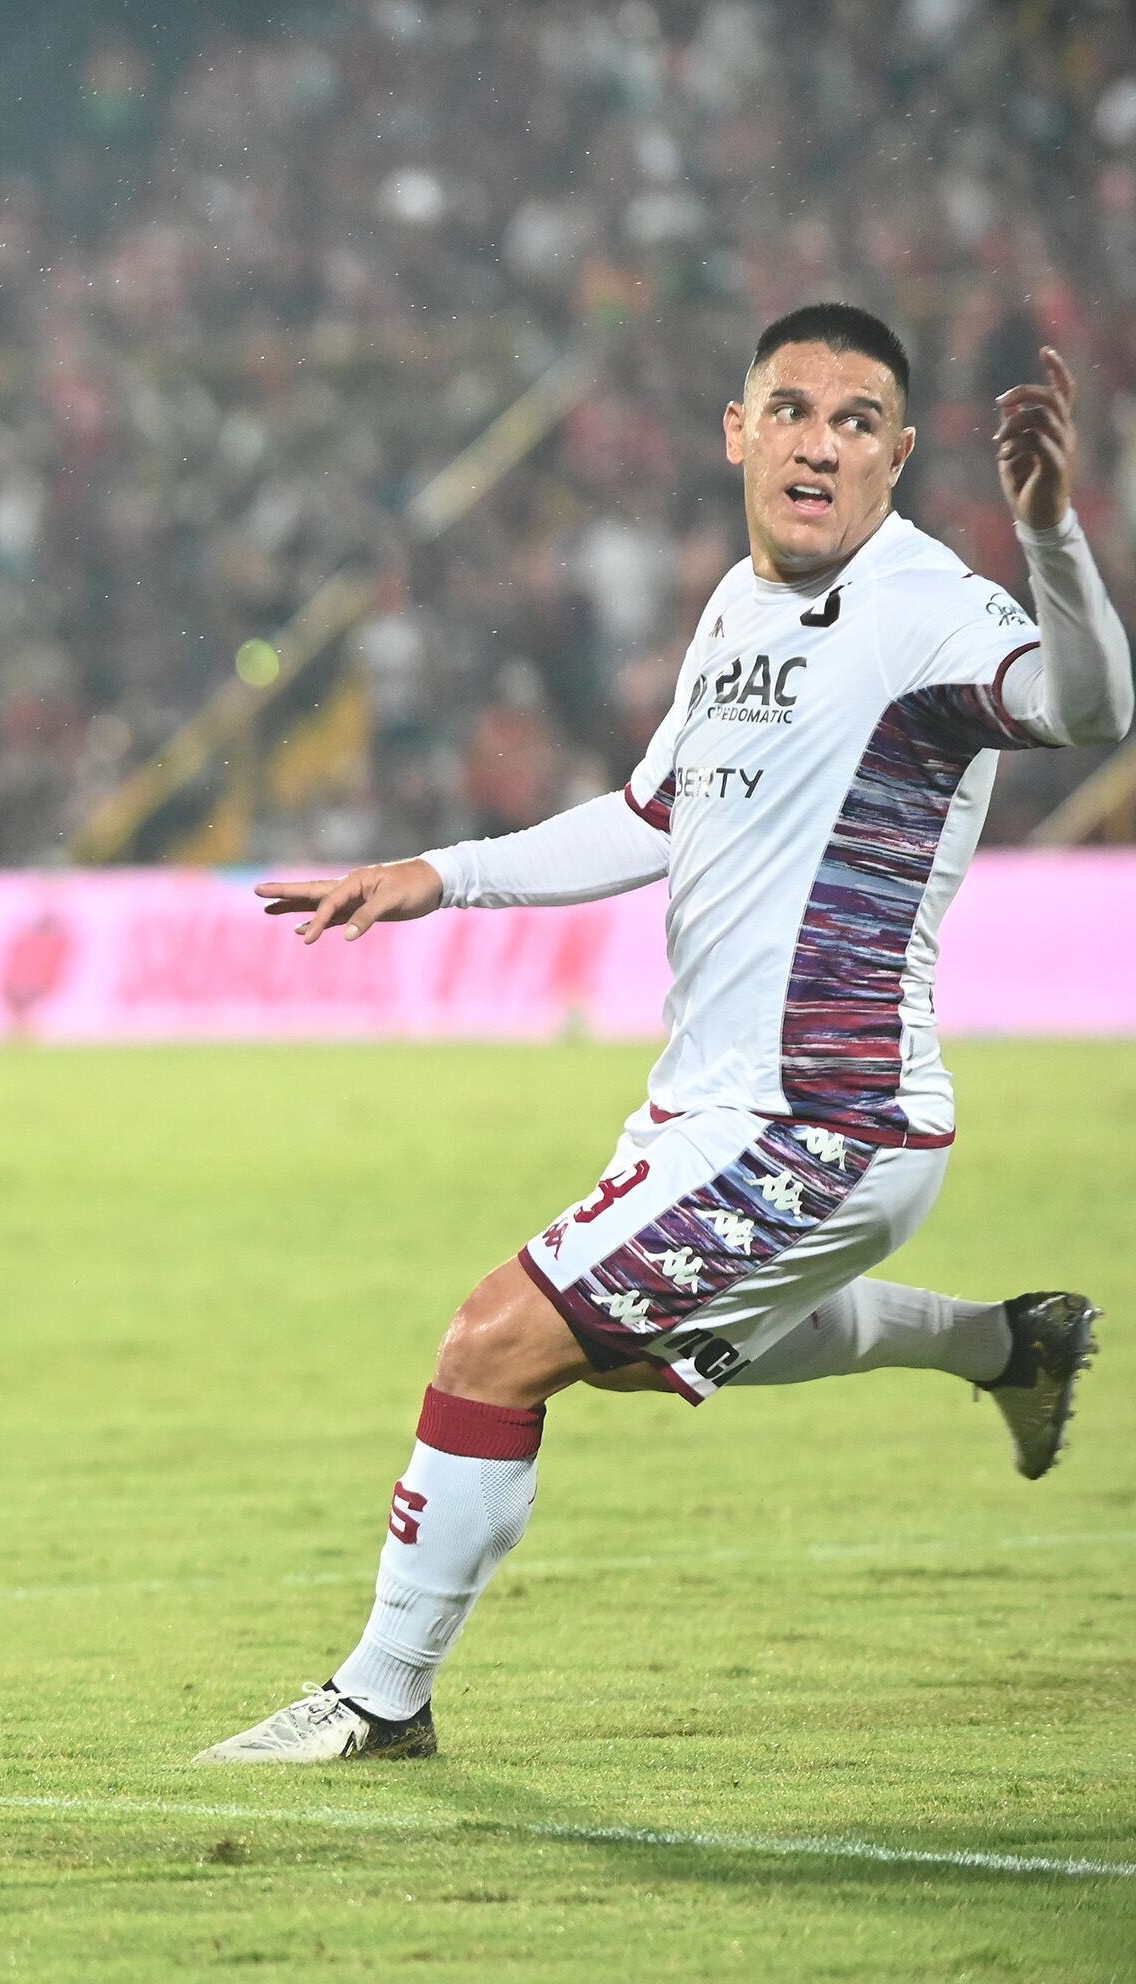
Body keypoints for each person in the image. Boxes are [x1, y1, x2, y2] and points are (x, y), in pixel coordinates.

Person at [205, 307, 1128, 1765]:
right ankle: (1002, 1345)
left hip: (830, 1115)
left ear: (895, 454)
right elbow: (649, 815)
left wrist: (1049, 540)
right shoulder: (734, 605)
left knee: (492, 1345)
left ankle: (379, 1699)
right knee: (632, 1355)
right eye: (791, 409)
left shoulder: (930, 608)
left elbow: (1089, 707)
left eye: (852, 419)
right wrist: (429, 876)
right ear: (736, 431)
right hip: (716, 1107)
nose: (815, 442)